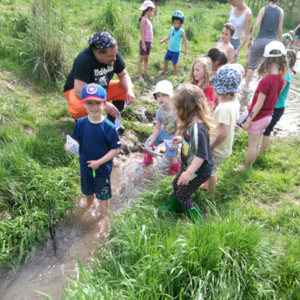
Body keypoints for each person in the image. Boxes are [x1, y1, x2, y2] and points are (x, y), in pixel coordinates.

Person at [65, 83, 122, 218]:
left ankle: (103, 217)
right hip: (85, 165)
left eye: (97, 103)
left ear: (104, 104)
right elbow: (75, 141)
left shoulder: (109, 127)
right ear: (84, 104)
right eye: (89, 103)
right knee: (87, 189)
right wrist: (68, 146)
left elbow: (115, 149)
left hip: (102, 167)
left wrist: (99, 162)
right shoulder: (81, 123)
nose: (94, 107)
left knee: (104, 193)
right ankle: (88, 205)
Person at [161, 85, 214, 222]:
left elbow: (201, 155)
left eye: (178, 108)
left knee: (183, 194)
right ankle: (176, 207)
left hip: (199, 171)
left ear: (189, 107)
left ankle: (198, 221)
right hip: (190, 167)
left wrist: (189, 173)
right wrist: (182, 139)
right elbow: (194, 144)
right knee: (176, 185)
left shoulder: (197, 129)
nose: (177, 112)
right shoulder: (192, 125)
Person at [63, 31, 135, 125]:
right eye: (110, 56)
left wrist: (129, 90)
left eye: (115, 54)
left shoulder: (113, 54)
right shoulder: (84, 59)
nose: (115, 58)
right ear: (98, 52)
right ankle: (84, 124)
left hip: (101, 89)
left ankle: (111, 123)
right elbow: (79, 91)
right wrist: (103, 103)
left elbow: (123, 75)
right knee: (80, 108)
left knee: (128, 89)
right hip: (77, 90)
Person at [237, 41, 288, 170]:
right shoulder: (281, 78)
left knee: (252, 145)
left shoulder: (265, 82)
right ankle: (251, 164)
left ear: (265, 60)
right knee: (257, 143)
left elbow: (259, 104)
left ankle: (246, 167)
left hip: (258, 117)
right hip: (268, 116)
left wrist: (248, 120)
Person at [204, 65, 241, 192]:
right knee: (209, 168)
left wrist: (211, 147)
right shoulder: (234, 102)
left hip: (218, 148)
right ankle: (205, 185)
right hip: (224, 146)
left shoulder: (223, 108)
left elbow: (224, 132)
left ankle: (210, 194)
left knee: (211, 171)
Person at [140, 80, 179, 175]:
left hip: (173, 135)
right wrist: (152, 142)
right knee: (147, 144)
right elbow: (157, 128)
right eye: (158, 96)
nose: (161, 98)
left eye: (164, 95)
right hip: (164, 131)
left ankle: (175, 170)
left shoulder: (176, 111)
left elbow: (180, 128)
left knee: (170, 155)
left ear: (171, 96)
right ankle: (148, 159)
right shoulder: (159, 112)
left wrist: (174, 143)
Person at [261, 50, 296, 151]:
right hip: (272, 105)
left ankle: (262, 151)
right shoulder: (280, 74)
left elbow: (277, 92)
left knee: (267, 130)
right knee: (263, 128)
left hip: (277, 107)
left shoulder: (286, 76)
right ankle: (259, 148)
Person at [245, 0, 284, 87]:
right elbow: (280, 30)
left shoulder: (263, 9)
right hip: (272, 44)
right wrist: (280, 44)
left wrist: (250, 39)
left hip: (260, 40)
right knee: (269, 67)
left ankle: (246, 87)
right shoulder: (281, 11)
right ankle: (265, 88)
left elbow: (255, 26)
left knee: (251, 65)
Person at [159, 11, 187, 77]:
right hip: (170, 49)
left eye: (178, 23)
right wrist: (163, 40)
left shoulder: (181, 31)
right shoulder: (171, 29)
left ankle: (175, 74)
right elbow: (169, 36)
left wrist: (185, 50)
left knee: (174, 63)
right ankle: (164, 70)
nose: (176, 24)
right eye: (175, 23)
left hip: (176, 51)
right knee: (165, 59)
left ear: (180, 24)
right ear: (173, 23)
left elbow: (185, 41)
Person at [138, 1, 155, 82]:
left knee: (146, 59)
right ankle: (140, 76)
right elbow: (142, 32)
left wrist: (150, 44)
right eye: (151, 10)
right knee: (141, 59)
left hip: (149, 42)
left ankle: (146, 72)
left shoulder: (148, 20)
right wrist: (143, 44)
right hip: (144, 43)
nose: (152, 12)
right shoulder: (143, 20)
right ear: (147, 10)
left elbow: (149, 32)